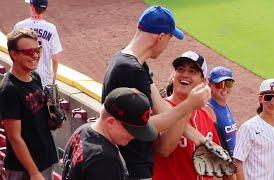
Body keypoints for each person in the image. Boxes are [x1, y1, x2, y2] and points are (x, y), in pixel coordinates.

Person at [101, 6, 211, 179]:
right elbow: (143, 125)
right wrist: (189, 105)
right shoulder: (131, 70)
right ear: (160, 37)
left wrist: (200, 139)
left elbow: (160, 106)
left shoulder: (135, 64)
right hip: (131, 168)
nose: (168, 44)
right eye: (169, 38)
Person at [152, 51, 222, 180]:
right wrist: (190, 105)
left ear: (203, 81)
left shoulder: (205, 117)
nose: (185, 74)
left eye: (192, 71)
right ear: (173, 75)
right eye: (180, 69)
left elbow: (217, 163)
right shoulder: (160, 110)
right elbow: (163, 149)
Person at [62, 87, 157, 180]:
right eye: (131, 130)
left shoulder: (82, 130)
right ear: (110, 122)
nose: (133, 136)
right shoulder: (104, 161)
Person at [0, 29, 58, 180]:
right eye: (28, 51)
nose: (35, 55)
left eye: (37, 49)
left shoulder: (35, 77)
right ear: (14, 54)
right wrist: (33, 172)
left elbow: (38, 118)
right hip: (24, 169)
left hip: (44, 160)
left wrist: (54, 120)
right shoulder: (9, 90)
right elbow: (14, 137)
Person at [233, 78, 274, 180]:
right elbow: (237, 163)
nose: (273, 102)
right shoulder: (248, 128)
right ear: (260, 99)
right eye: (268, 97)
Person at [15, 0, 63, 87]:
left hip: (23, 79)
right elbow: (55, 58)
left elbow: (13, 53)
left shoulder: (20, 27)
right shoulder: (51, 28)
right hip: (45, 80)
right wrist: (53, 77)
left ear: (32, 6)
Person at [207, 66, 237, 156]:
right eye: (219, 84)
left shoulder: (224, 106)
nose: (224, 88)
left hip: (232, 161)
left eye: (228, 84)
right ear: (210, 86)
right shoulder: (209, 109)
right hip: (223, 164)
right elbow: (210, 144)